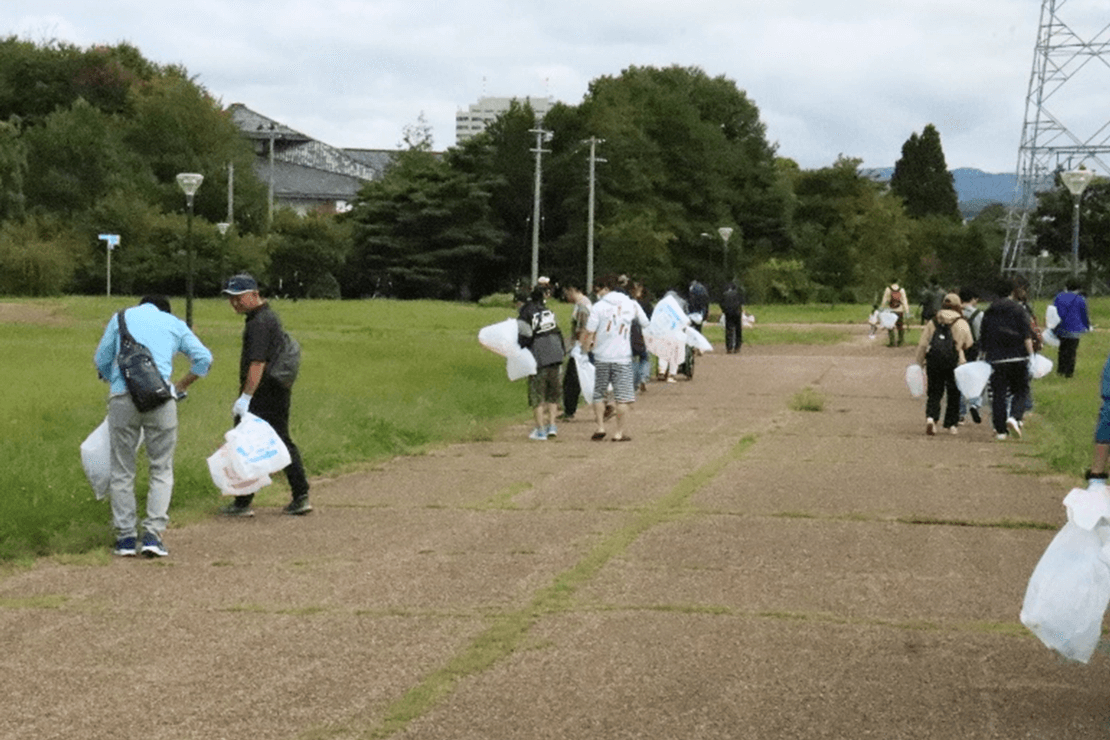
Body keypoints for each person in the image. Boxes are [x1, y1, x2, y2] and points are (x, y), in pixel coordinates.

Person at [93, 295, 212, 557]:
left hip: (123, 398)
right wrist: (179, 387)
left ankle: (125, 538)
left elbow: (101, 359)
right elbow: (204, 358)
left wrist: (112, 379)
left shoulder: (121, 317)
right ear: (164, 309)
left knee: (122, 469)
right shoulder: (174, 323)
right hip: (160, 399)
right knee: (161, 467)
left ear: (141, 305)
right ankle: (152, 535)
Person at [220, 274, 313, 516]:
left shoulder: (259, 323)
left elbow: (257, 363)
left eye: (238, 298)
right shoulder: (267, 317)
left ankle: (243, 502)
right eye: (231, 299)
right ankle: (299, 494)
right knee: (278, 438)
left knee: (243, 442)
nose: (235, 303)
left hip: (263, 391)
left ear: (253, 294)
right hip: (276, 388)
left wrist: (246, 397)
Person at [582, 273, 651, 442]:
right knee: (623, 396)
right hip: (622, 356)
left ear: (606, 289)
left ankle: (600, 426)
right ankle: (619, 432)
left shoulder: (598, 307)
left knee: (599, 393)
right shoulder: (631, 304)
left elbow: (589, 331)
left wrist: (585, 350)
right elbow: (645, 322)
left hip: (601, 355)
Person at [979, 277, 1036, 441]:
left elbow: (983, 336)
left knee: (998, 394)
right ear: (1012, 291)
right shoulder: (1019, 310)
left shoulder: (989, 310)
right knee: (1021, 389)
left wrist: (983, 355)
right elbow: (1026, 335)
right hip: (1018, 356)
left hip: (996, 358)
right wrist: (1031, 355)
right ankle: (1015, 416)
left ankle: (1000, 430)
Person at [914, 293, 973, 435]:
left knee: (934, 391)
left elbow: (923, 344)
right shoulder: (961, 322)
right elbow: (969, 343)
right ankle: (951, 424)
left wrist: (919, 362)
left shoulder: (933, 321)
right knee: (953, 393)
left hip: (934, 361)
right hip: (955, 362)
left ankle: (931, 418)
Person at [518, 284, 565, 440]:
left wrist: (520, 350)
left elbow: (524, 336)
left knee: (537, 393)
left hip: (540, 354)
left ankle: (540, 429)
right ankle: (552, 425)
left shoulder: (525, 312)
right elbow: (557, 330)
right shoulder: (548, 311)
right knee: (553, 392)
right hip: (557, 352)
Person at [559, 283, 593, 421]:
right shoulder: (583, 304)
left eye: (566, 293)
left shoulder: (582, 306)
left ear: (572, 289)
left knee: (572, 381)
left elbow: (584, 328)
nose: (566, 296)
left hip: (580, 347)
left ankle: (569, 410)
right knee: (578, 379)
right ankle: (569, 409)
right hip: (581, 345)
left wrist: (580, 347)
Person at [1052, 278, 1091, 378]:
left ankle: (1060, 370)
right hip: (1074, 328)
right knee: (1071, 351)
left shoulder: (1059, 296)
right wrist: (1087, 326)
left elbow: (1054, 311)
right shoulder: (1080, 298)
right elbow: (1084, 314)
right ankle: (1068, 372)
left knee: (1062, 349)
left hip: (1061, 327)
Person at [958, 286, 985, 424]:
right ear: (973, 299)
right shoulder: (979, 314)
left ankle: (960, 413)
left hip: (957, 349)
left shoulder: (955, 312)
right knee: (976, 379)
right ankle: (974, 404)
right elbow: (982, 335)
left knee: (958, 380)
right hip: (974, 350)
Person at [880, 280, 908, 347]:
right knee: (900, 326)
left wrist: (882, 307)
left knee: (890, 326)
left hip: (891, 310)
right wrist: (906, 310)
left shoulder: (888, 289)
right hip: (900, 310)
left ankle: (892, 342)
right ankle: (900, 341)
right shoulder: (901, 289)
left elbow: (885, 300)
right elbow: (904, 300)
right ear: (897, 282)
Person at [721, 282, 745, 353]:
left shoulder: (725, 294)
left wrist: (724, 311)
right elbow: (741, 303)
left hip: (728, 313)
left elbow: (721, 304)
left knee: (729, 330)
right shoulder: (738, 294)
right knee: (738, 330)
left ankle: (729, 347)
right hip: (737, 313)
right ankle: (737, 347)